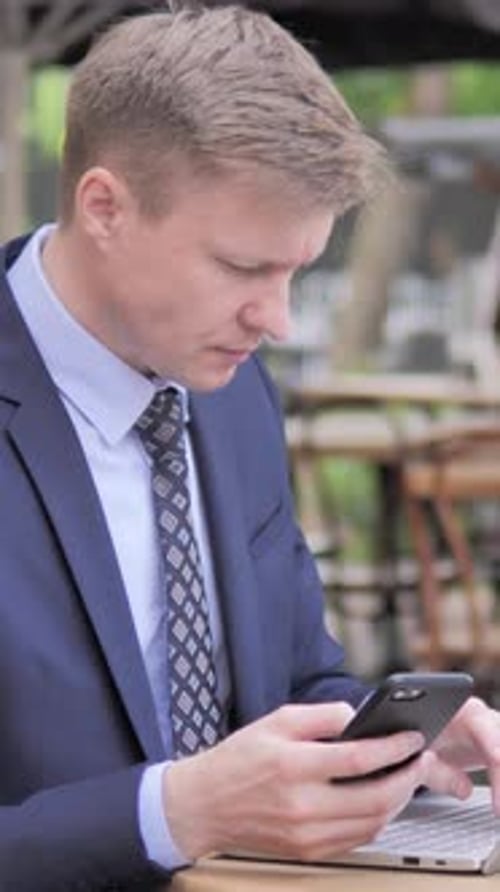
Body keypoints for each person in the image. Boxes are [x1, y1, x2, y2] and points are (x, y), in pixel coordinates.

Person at [1, 3, 500, 890]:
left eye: (298, 271)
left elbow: (295, 682)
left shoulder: (229, 393)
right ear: (105, 207)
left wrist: (387, 737)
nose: (277, 321)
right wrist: (179, 812)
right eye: (243, 269)